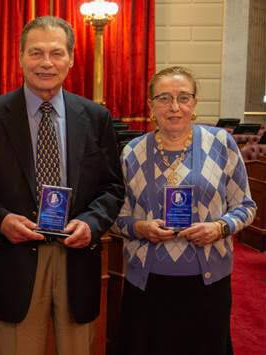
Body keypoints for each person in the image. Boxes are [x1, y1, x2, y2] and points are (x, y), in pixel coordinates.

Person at [0, 16, 124, 355]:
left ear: (71, 59)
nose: (46, 63)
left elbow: (112, 187)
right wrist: (2, 220)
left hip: (77, 261)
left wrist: (93, 223)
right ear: (21, 57)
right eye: (36, 53)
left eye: (56, 53)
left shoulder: (96, 117)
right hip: (15, 262)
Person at [114, 66, 256, 355]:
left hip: (207, 282)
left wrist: (219, 228)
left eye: (183, 97)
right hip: (147, 282)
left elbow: (245, 206)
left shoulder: (220, 144)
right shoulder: (131, 152)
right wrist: (140, 228)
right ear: (150, 105)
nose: (174, 107)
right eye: (164, 98)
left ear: (194, 103)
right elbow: (116, 217)